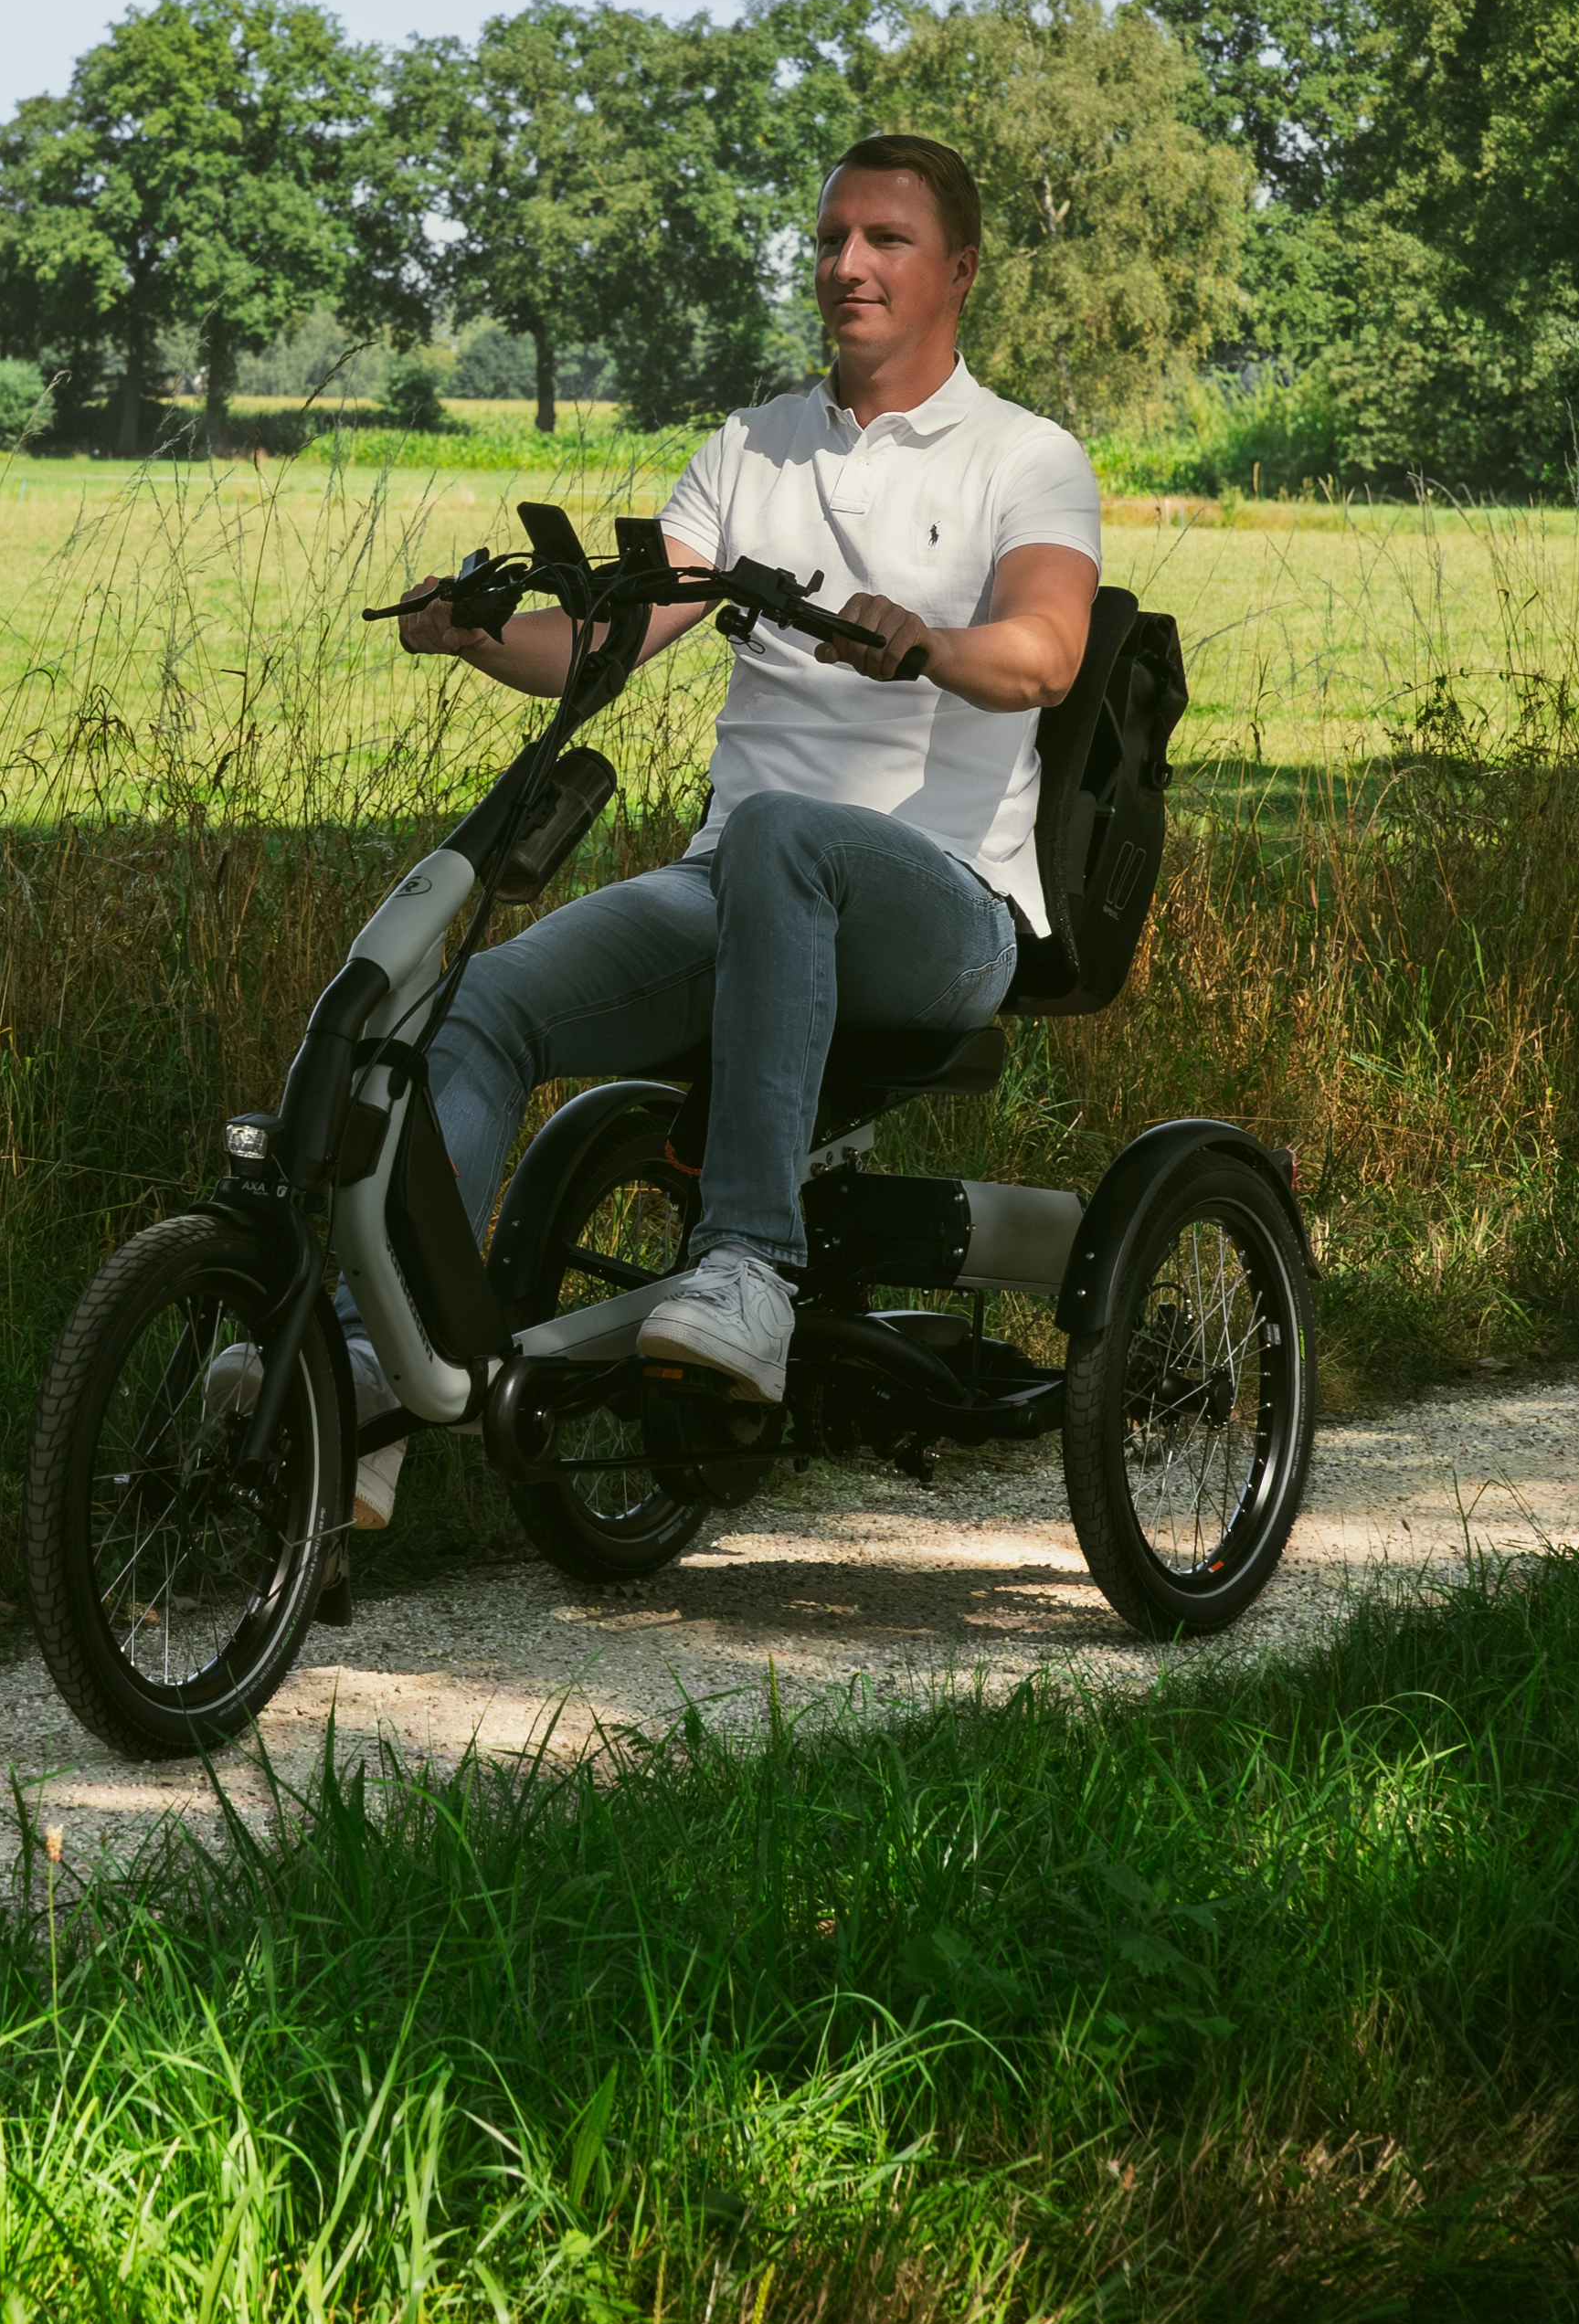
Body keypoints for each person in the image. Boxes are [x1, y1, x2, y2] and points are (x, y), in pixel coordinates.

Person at [376, 131, 1102, 1452]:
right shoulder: (750, 448)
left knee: (782, 837)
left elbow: (1046, 651)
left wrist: (932, 640)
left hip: (945, 907)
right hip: (736, 888)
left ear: (962, 268)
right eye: (831, 239)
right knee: (481, 1003)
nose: (849, 264)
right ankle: (388, 1365)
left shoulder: (1027, 457)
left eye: (886, 239)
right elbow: (612, 641)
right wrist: (479, 635)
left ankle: (748, 1268)